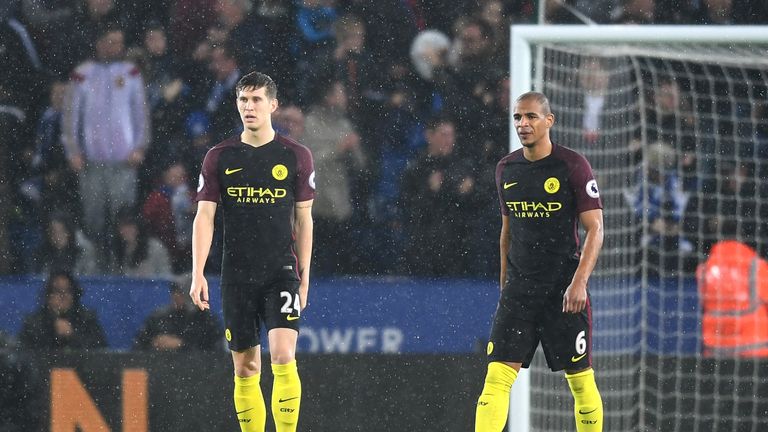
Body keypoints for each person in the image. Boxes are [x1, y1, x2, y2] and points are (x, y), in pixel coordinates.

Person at [190, 71, 315, 432]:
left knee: (282, 355)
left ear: (273, 105)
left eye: (257, 99)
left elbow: (304, 220)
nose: (249, 106)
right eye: (243, 100)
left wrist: (304, 275)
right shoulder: (219, 156)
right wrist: (198, 272)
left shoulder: (296, 156)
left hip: (281, 272)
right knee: (246, 367)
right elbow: (204, 216)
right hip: (237, 277)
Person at [475, 92, 604, 432]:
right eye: (518, 117)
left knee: (580, 380)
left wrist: (579, 282)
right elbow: (507, 233)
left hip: (564, 292)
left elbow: (596, 228)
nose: (522, 124)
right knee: (496, 377)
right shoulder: (506, 168)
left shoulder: (572, 166)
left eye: (531, 116)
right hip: (520, 291)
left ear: (549, 121)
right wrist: (506, 287)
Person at [18, 270, 107, 351]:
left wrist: (73, 336)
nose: (62, 296)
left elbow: (101, 352)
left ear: (74, 294)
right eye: (57, 291)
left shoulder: (87, 320)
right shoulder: (34, 322)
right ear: (48, 296)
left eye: (67, 291)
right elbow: (26, 355)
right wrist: (53, 333)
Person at [134, 277, 222, 351]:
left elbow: (214, 353)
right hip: (159, 367)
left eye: (181, 292)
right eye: (174, 292)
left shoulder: (207, 321)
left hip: (196, 369)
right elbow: (138, 346)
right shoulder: (158, 317)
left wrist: (181, 345)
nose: (176, 296)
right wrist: (154, 343)